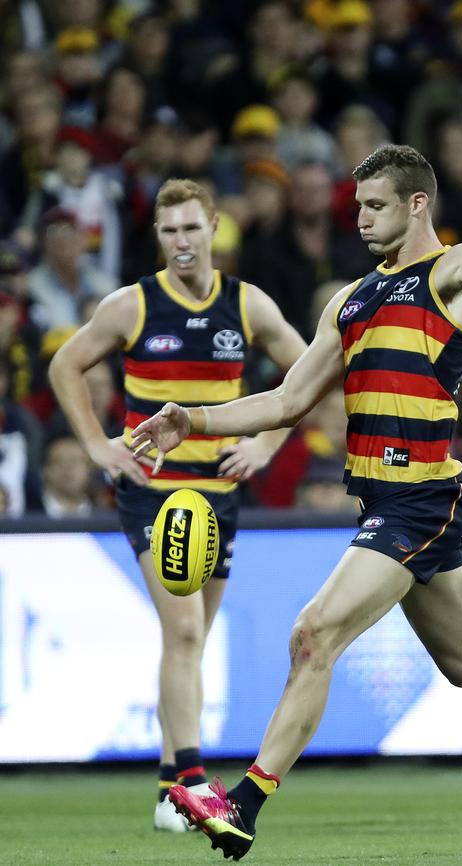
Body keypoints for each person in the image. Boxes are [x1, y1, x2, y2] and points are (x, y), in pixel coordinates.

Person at [132, 72, 462, 861]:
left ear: (415, 204)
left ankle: (244, 803)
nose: (360, 216)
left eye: (374, 204)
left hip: (416, 498)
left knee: (313, 635)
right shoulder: (352, 300)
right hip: (390, 499)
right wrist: (190, 419)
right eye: (357, 204)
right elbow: (282, 402)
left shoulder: (455, 276)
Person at [48, 178, 306, 832]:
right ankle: (191, 783)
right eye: (169, 231)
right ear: (157, 236)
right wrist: (99, 448)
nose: (182, 242)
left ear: (214, 226)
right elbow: (63, 367)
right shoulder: (131, 306)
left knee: (189, 639)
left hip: (218, 495)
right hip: (153, 493)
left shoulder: (247, 306)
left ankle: (168, 788)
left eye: (192, 228)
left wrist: (266, 445)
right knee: (185, 632)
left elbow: (305, 372)